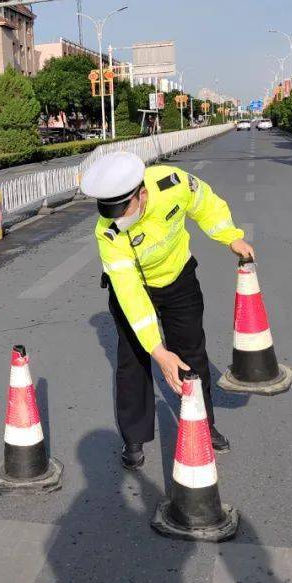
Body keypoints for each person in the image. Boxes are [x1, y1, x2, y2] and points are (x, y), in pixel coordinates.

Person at [80, 151, 255, 470]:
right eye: (110, 212)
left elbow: (206, 204)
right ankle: (134, 437)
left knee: (193, 353)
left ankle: (203, 424)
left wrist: (231, 237)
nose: (117, 219)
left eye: (123, 210)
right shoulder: (107, 232)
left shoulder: (172, 184)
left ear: (142, 194)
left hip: (178, 278)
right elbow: (130, 293)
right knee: (132, 362)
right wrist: (158, 351)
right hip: (135, 287)